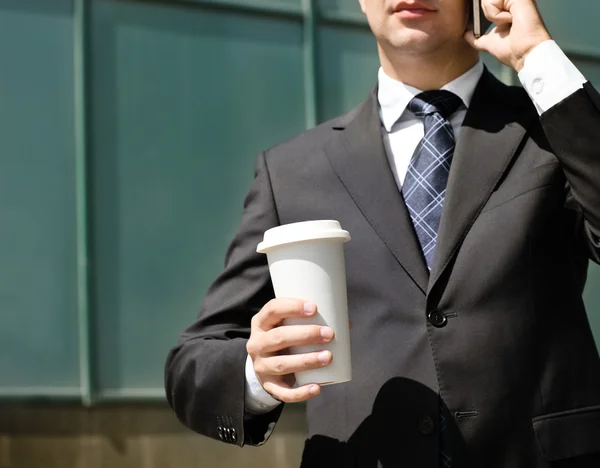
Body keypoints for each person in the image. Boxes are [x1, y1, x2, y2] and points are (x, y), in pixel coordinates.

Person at [165, 0, 600, 466]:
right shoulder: (291, 171)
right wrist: (257, 374)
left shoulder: (556, 128)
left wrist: (537, 55)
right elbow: (193, 360)